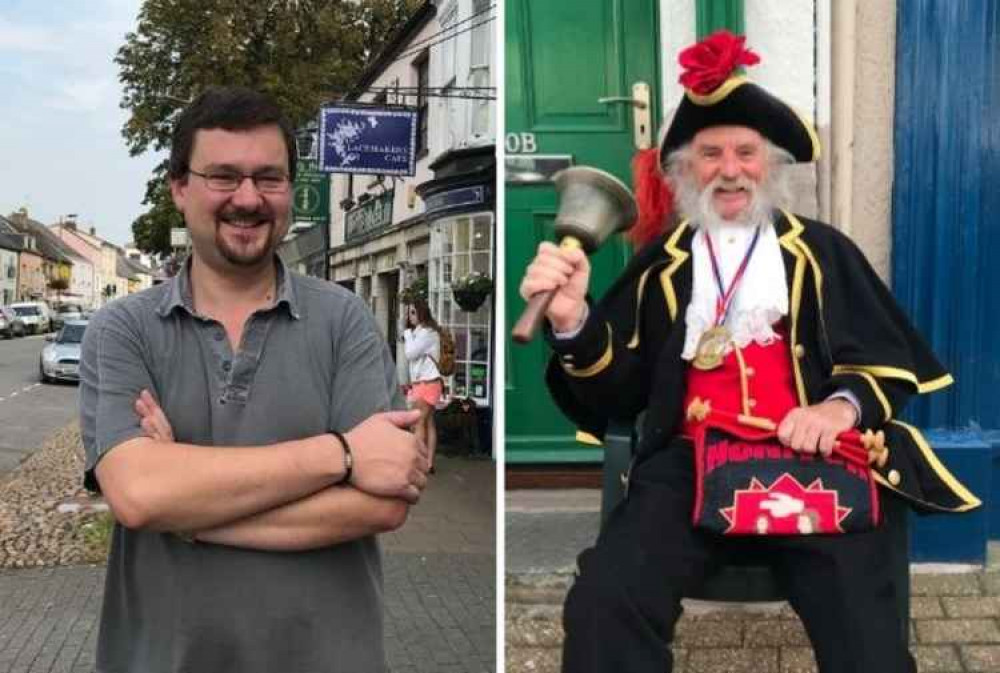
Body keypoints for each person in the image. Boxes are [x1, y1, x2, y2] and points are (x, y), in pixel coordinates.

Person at [519, 32, 979, 673]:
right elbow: (619, 396)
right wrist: (573, 320)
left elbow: (881, 360)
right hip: (687, 466)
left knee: (865, 635)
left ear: (772, 165)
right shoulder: (661, 265)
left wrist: (838, 410)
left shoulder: (823, 250)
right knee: (604, 599)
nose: (729, 169)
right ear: (683, 169)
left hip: (812, 465)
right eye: (709, 153)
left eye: (745, 152)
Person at [80, 86, 429, 673]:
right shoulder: (122, 330)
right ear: (180, 188)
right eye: (223, 176)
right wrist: (342, 454)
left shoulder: (345, 320)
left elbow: (384, 503)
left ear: (290, 188)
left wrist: (189, 514)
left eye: (268, 178)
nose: (248, 198)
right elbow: (138, 495)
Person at [402, 299, 442, 472]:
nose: (409, 316)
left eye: (412, 312)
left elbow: (410, 354)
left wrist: (408, 335)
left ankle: (419, 463)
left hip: (427, 383)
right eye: (409, 312)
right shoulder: (424, 332)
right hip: (427, 382)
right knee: (428, 423)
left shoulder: (426, 333)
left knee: (418, 423)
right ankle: (429, 462)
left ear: (421, 313)